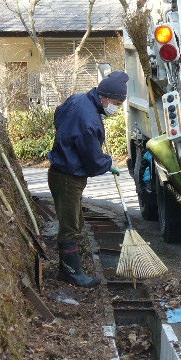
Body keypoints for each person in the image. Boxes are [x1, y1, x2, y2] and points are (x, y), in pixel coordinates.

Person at [47, 71, 128, 288]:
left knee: (74, 221)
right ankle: (72, 273)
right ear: (104, 97)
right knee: (70, 224)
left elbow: (58, 116)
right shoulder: (89, 121)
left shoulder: (79, 100)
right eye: (116, 103)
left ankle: (71, 268)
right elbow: (93, 161)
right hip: (68, 177)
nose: (116, 108)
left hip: (60, 171)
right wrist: (107, 162)